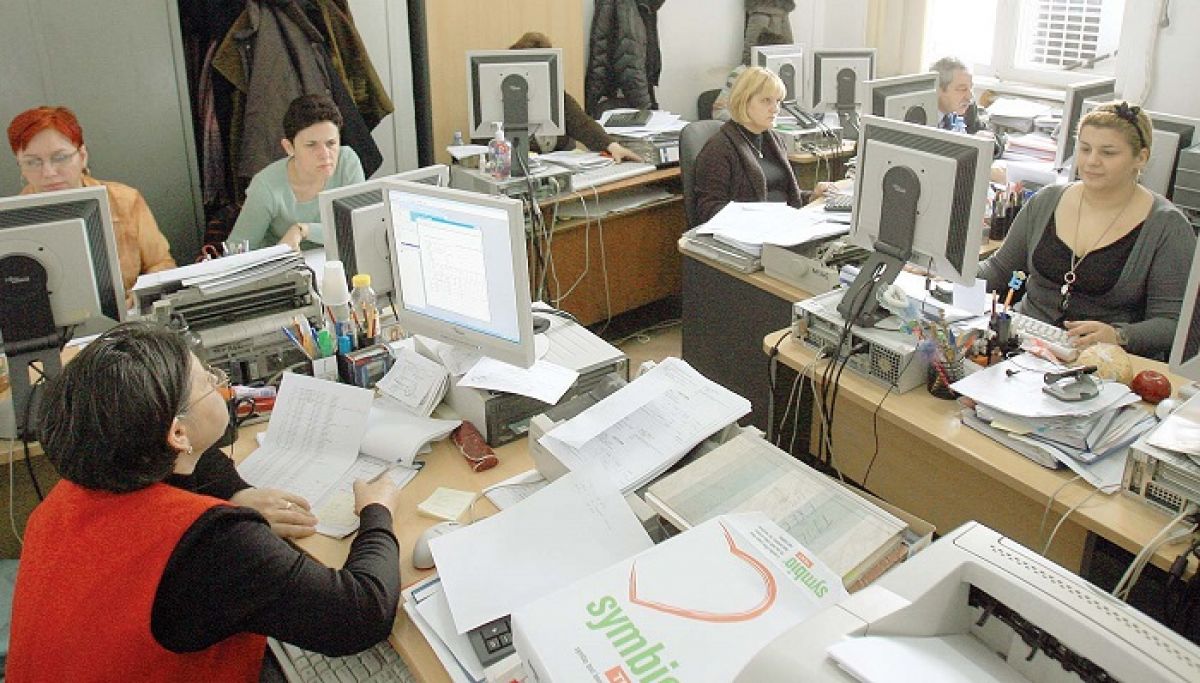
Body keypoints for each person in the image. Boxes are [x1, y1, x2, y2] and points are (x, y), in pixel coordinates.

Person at [7, 322, 404, 680]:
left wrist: (237, 494)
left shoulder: (76, 490)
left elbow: (198, 457)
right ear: (178, 433)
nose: (220, 383)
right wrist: (377, 511)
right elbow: (361, 614)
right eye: (207, 381)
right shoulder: (212, 541)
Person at [978, 102, 1196, 358]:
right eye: (1084, 149)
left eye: (1108, 153)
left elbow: (1174, 323)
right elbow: (999, 270)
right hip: (1023, 343)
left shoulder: (1166, 226)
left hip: (1099, 360)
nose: (1092, 161)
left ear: (1141, 157)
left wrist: (1119, 335)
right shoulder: (1047, 200)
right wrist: (947, 274)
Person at [7, 106, 176, 294]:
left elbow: (161, 264)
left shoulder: (125, 201)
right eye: (32, 162)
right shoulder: (9, 221)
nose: (49, 172)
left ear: (82, 156)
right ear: (20, 166)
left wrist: (137, 298)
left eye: (60, 157)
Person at [226, 94, 365, 251]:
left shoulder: (347, 161)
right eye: (311, 145)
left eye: (331, 143)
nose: (325, 154)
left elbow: (358, 226)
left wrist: (303, 230)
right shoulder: (265, 186)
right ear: (289, 147)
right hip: (282, 264)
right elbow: (236, 251)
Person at [692, 67, 827, 226]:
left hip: (783, 225)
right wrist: (760, 218)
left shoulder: (773, 139)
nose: (775, 109)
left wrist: (811, 197)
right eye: (766, 100)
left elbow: (783, 195)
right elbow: (708, 210)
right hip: (748, 231)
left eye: (777, 101)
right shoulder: (719, 148)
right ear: (743, 101)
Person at [509, 32, 642, 163]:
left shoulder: (557, 97)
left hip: (560, 169)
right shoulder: (503, 103)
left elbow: (583, 125)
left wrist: (613, 147)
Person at [929, 57, 1005, 157]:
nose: (970, 96)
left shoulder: (968, 108)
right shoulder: (920, 116)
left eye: (971, 88)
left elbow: (992, 137)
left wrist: (990, 143)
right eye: (962, 89)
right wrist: (969, 147)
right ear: (938, 90)